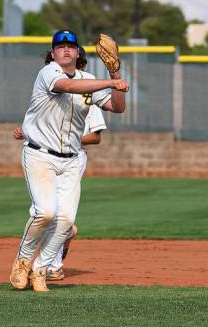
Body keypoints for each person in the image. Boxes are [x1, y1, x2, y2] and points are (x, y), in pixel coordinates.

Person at [9, 29, 127, 292]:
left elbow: (118, 108)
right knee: (45, 211)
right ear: (52, 53)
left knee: (65, 220)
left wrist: (115, 76)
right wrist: (108, 83)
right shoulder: (48, 73)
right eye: (60, 46)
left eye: (70, 46)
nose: (65, 49)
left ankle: (40, 269)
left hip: (72, 159)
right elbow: (67, 86)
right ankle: (22, 262)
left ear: (77, 52)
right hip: (40, 155)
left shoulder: (89, 79)